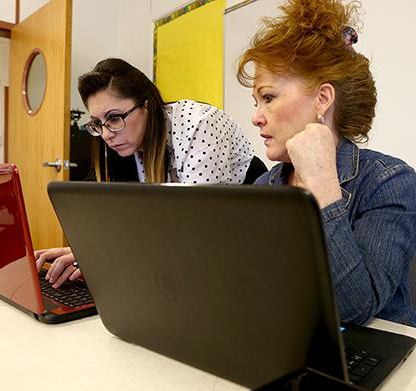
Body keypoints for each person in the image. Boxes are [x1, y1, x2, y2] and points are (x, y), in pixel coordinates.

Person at [237, 0, 416, 326]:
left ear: (323, 99)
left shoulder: (390, 183)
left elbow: (354, 308)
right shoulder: (265, 186)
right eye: (256, 102)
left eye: (268, 97)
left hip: (384, 357)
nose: (256, 117)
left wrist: (323, 181)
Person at [35, 58, 267, 288]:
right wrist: (87, 253)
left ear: (146, 105)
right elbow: (149, 228)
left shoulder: (200, 123)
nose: (106, 135)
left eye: (114, 118)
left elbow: (196, 232)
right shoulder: (132, 143)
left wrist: (102, 257)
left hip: (246, 239)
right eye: (98, 123)